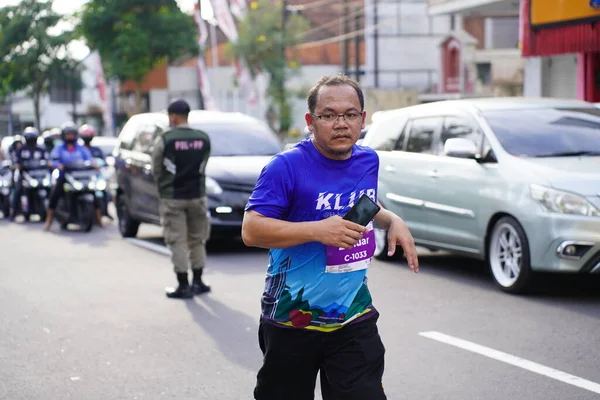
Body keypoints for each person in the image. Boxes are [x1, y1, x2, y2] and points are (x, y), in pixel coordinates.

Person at [242, 75, 420, 400]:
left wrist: (391, 219)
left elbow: (362, 204)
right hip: (292, 318)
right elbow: (252, 230)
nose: (341, 124)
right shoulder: (286, 167)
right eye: (329, 115)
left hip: (352, 313)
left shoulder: (368, 160)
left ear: (362, 119)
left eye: (350, 114)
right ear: (311, 121)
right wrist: (318, 230)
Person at [151, 99, 212, 299]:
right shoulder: (203, 138)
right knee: (197, 239)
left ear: (174, 116)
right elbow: (203, 165)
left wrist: (162, 187)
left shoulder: (166, 138)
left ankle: (183, 285)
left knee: (177, 241)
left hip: (173, 197)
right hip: (197, 195)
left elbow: (156, 169)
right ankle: (198, 281)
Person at [43, 123, 104, 231]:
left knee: (94, 192)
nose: (70, 137)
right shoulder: (59, 148)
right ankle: (49, 219)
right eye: (68, 134)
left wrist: (94, 164)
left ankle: (99, 219)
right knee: (55, 194)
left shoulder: (80, 148)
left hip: (81, 176)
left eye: (72, 134)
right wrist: (58, 165)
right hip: (66, 176)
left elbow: (89, 159)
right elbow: (52, 161)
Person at [10, 127, 48, 221]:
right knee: (18, 190)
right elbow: (15, 160)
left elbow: (47, 160)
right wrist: (17, 165)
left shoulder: (40, 149)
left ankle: (51, 211)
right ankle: (14, 212)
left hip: (38, 174)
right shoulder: (21, 149)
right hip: (24, 174)